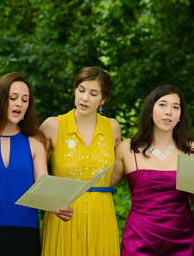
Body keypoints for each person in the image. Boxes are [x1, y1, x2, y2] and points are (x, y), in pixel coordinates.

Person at [0, 73, 72, 256]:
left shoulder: (35, 142)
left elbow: (43, 184)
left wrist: (58, 206)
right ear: (0, 100)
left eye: (25, 100)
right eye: (13, 98)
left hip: (25, 231)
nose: (19, 104)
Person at [40, 67, 122, 256]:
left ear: (103, 99)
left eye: (93, 93)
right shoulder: (53, 125)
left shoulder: (113, 128)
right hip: (63, 214)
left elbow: (117, 171)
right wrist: (52, 202)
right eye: (81, 90)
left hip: (101, 214)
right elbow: (37, 175)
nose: (85, 98)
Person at [116, 84, 194, 255]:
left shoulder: (192, 150)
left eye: (175, 107)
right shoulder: (127, 148)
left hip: (183, 241)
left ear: (180, 116)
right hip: (139, 239)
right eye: (162, 104)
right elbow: (102, 187)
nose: (168, 111)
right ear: (150, 110)